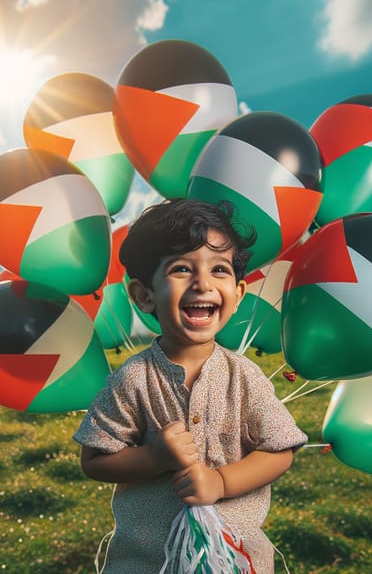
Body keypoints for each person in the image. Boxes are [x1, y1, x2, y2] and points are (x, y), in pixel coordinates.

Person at [73, 199, 307, 573]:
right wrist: (154, 459)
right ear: (143, 295)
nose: (203, 283)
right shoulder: (132, 380)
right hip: (149, 563)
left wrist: (221, 481)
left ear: (238, 293)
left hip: (234, 561)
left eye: (219, 270)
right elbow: (95, 461)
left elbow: (279, 451)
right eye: (182, 269)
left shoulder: (245, 378)